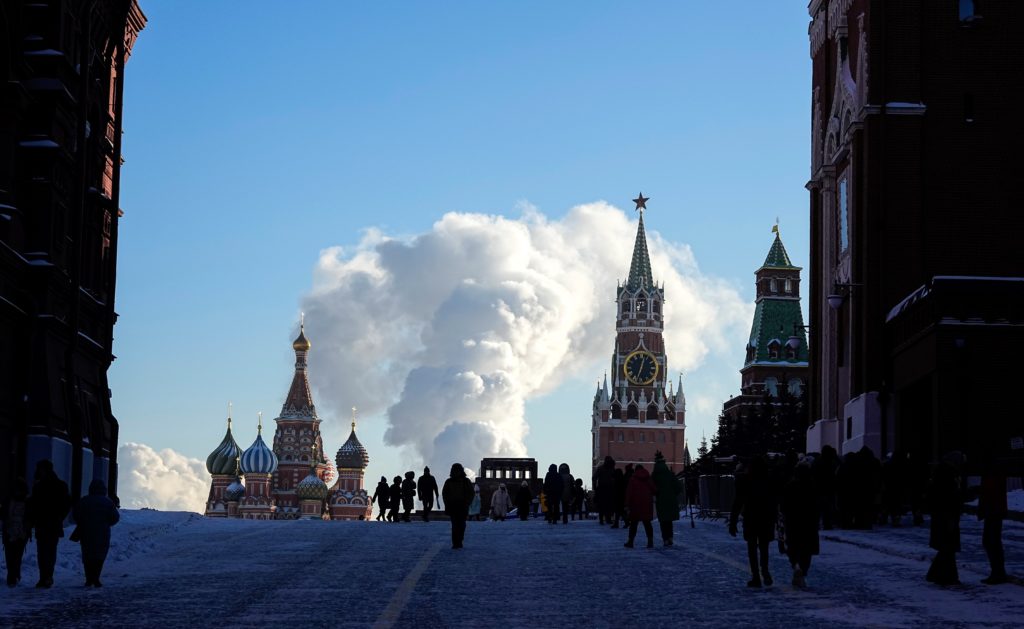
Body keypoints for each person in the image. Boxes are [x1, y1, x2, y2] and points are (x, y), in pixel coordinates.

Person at [729, 456, 778, 588]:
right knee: (764, 547)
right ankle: (765, 571)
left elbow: (738, 502)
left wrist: (733, 522)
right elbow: (774, 500)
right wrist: (775, 518)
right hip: (766, 517)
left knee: (752, 547)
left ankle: (756, 576)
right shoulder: (769, 480)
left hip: (751, 517)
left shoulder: (744, 480)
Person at [26, 460, 71, 588]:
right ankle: (46, 577)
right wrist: (59, 517)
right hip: (51, 523)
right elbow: (67, 504)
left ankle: (45, 577)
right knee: (48, 551)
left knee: (45, 551)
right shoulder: (60, 485)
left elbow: (34, 505)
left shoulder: (40, 486)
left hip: (45, 523)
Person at [72, 479, 120, 587]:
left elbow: (76, 515)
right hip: (102, 533)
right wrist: (107, 524)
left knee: (87, 554)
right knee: (100, 555)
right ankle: (96, 578)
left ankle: (89, 578)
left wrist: (83, 522)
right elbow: (115, 517)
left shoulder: (84, 501)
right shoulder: (108, 502)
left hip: (86, 532)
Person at [926, 452, 964, 586]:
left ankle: (942, 575)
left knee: (947, 546)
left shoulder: (943, 473)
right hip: (947, 514)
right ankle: (944, 575)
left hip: (943, 514)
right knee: (948, 546)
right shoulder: (948, 475)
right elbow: (949, 497)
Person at [780, 462, 819, 588]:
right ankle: (803, 568)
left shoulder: (790, 486)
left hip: (793, 520)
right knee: (806, 548)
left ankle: (796, 565)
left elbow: (783, 504)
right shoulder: (812, 485)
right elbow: (817, 503)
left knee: (793, 545)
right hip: (808, 521)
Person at [978, 459, 1008, 585]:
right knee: (992, 542)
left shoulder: (993, 476)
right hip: (993, 512)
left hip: (993, 512)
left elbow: (989, 494)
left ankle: (998, 573)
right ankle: (998, 572)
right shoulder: (994, 475)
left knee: (991, 542)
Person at [2, 478, 31, 587]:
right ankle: (12, 576)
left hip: (21, 531)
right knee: (10, 554)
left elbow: (30, 516)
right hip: (10, 530)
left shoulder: (27, 502)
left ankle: (14, 575)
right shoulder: (8, 500)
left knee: (16, 555)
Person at [442, 463, 475, 549]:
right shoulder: (449, 482)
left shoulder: (466, 481)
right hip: (453, 506)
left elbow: (471, 493)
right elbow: (445, 493)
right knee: (455, 525)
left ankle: (459, 539)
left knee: (461, 524)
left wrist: (467, 502)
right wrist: (447, 503)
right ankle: (456, 542)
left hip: (463, 505)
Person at [651, 451, 681, 546]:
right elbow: (678, 487)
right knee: (669, 520)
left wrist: (656, 493)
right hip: (671, 499)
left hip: (661, 499)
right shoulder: (670, 474)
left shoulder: (654, 475)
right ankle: (670, 537)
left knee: (663, 520)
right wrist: (673, 494)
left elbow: (651, 487)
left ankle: (665, 539)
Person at [624, 464, 656, 548]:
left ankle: (631, 542)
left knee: (634, 523)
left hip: (635, 504)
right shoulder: (648, 478)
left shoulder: (632, 479)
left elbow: (629, 493)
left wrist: (627, 504)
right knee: (647, 523)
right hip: (647, 503)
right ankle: (650, 541)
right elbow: (654, 490)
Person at [595, 456, 616, 525]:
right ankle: (607, 519)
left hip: (603, 488)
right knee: (608, 504)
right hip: (609, 488)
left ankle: (602, 519)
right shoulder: (612, 468)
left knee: (603, 504)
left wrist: (595, 487)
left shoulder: (600, 468)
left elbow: (594, 477)